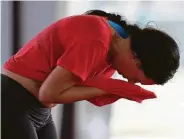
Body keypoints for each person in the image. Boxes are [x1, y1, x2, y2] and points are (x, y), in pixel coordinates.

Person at [1, 9, 180, 139]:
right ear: (136, 60)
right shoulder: (97, 40)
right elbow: (48, 93)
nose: (130, 81)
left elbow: (75, 88)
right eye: (136, 79)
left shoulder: (113, 53)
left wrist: (112, 89)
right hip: (13, 101)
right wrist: (112, 89)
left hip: (41, 110)